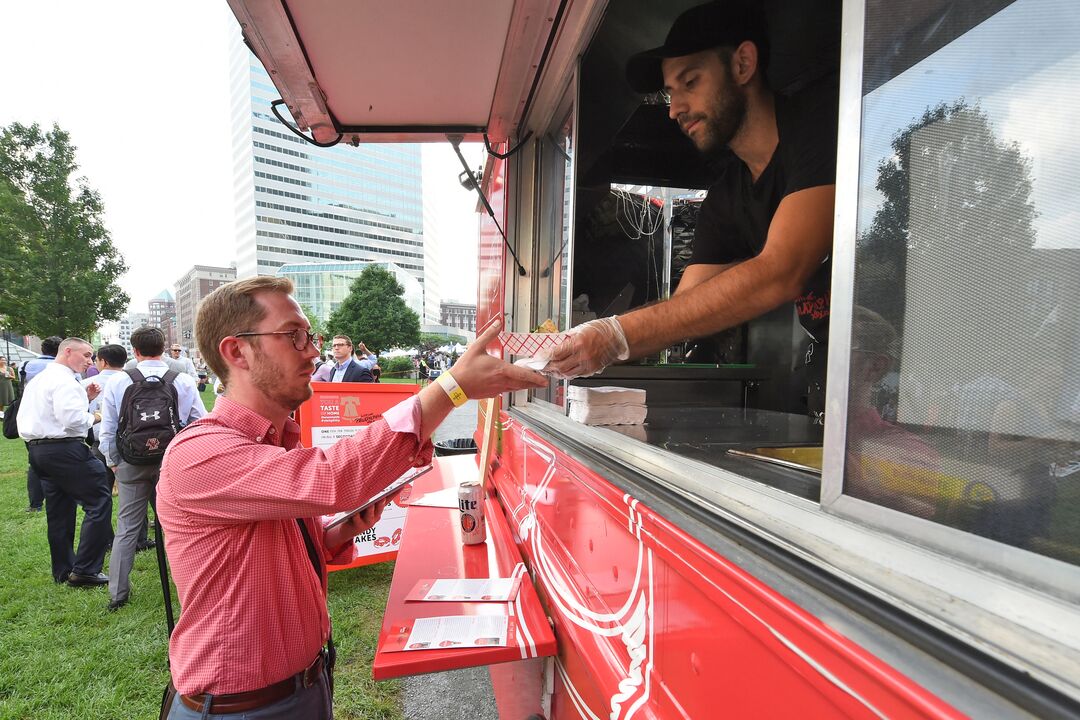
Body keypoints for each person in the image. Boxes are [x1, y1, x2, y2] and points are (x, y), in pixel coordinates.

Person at [157, 276, 544, 718]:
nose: (313, 351)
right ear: (236, 351)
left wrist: (339, 530)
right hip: (237, 708)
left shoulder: (276, 443)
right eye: (294, 336)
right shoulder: (198, 454)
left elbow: (267, 553)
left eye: (312, 337)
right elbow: (334, 477)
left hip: (303, 686)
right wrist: (451, 388)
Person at [547, 0, 838, 419]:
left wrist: (616, 335)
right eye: (670, 92)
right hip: (834, 375)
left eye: (690, 82)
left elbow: (782, 271)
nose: (674, 108)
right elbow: (688, 309)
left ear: (742, 64)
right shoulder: (727, 197)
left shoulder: (817, 130)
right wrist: (581, 349)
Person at [100, 327, 206, 612]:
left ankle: (117, 593)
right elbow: (200, 421)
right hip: (171, 461)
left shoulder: (119, 381)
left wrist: (113, 461)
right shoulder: (182, 380)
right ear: (164, 349)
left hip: (130, 461)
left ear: (134, 351)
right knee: (181, 527)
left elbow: (109, 427)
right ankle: (190, 588)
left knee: (127, 526)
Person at [17, 337, 112, 586]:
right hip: (65, 450)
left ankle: (64, 569)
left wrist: (85, 399)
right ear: (68, 351)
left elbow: (50, 413)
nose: (90, 361)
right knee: (99, 500)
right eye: (87, 355)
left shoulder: (40, 380)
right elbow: (73, 421)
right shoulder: (64, 380)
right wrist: (97, 415)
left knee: (59, 511)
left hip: (39, 452)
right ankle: (86, 570)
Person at [21, 336, 63, 512]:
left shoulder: (27, 366)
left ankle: (35, 503)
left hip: (32, 420)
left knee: (36, 464)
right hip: (56, 422)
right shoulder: (63, 370)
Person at [83, 344, 127, 498]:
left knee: (100, 493)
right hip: (131, 443)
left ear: (103, 361)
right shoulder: (133, 381)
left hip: (98, 441)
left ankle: (103, 522)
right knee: (136, 493)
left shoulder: (87, 384)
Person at [311, 334, 376, 382]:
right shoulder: (333, 370)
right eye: (334, 345)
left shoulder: (361, 372)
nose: (336, 348)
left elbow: (368, 398)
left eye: (340, 345)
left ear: (350, 348)